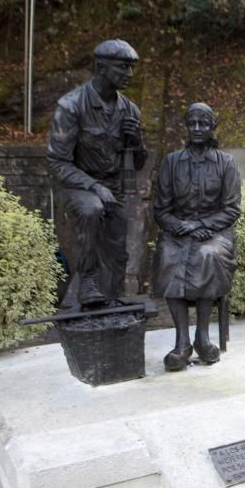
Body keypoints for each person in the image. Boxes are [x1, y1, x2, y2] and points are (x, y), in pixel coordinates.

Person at [48, 39, 146, 309]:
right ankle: (88, 281)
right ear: (102, 68)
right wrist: (94, 187)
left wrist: (135, 139)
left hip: (113, 187)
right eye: (124, 67)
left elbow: (138, 163)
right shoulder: (71, 106)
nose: (130, 74)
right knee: (92, 209)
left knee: (117, 241)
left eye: (132, 68)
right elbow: (57, 162)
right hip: (76, 185)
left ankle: (111, 297)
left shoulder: (129, 110)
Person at [153, 103, 241, 371]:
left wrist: (203, 224)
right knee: (168, 256)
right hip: (179, 231)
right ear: (187, 127)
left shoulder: (226, 163)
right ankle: (182, 342)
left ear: (212, 127)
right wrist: (184, 226)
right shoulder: (171, 162)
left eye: (204, 124)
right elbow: (161, 209)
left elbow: (232, 209)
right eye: (192, 124)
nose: (198, 129)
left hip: (215, 232)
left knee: (208, 256)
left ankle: (202, 337)